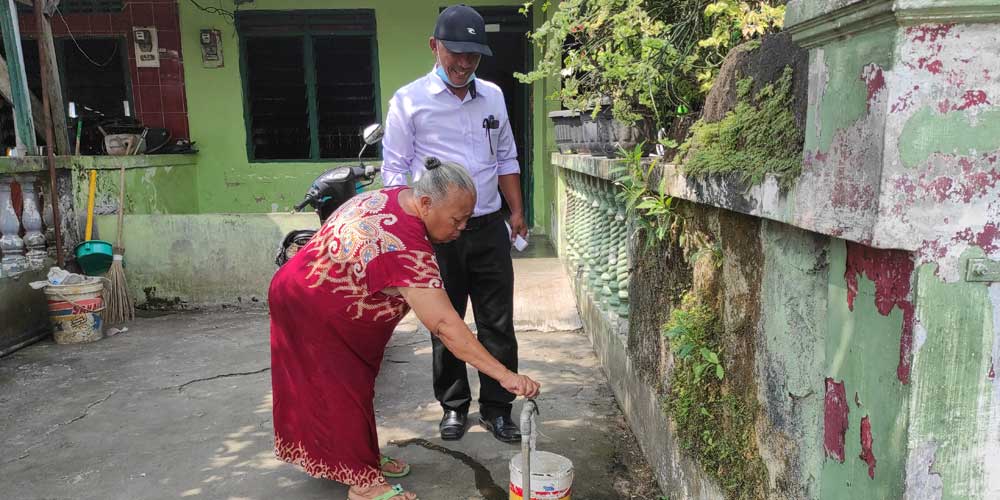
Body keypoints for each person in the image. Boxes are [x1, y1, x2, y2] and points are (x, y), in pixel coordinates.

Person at [269, 158, 541, 500]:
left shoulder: (400, 196)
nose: (462, 229)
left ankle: (358, 456)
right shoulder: (406, 248)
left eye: (467, 219)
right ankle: (363, 482)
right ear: (426, 204)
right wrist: (504, 375)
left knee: (353, 386)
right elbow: (445, 326)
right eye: (457, 220)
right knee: (342, 388)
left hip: (304, 289)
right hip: (310, 306)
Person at [381, 4, 527, 444]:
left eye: (473, 56)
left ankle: (499, 408)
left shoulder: (495, 97)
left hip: (487, 227)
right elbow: (394, 170)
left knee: (497, 322)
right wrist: (407, 230)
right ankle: (454, 406)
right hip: (437, 235)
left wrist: (516, 210)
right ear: (434, 47)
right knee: (447, 321)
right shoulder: (409, 101)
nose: (464, 64)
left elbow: (506, 157)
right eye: (456, 53)